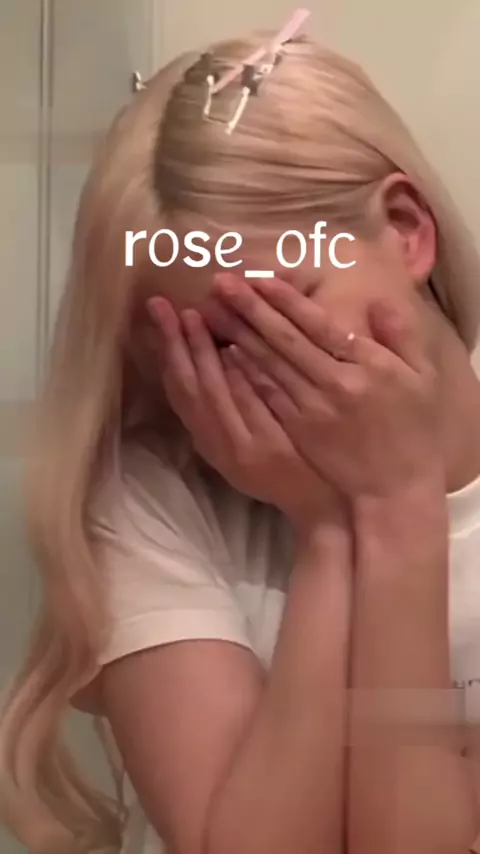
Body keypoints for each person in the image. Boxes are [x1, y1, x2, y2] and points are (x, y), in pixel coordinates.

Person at [2, 8, 480, 854]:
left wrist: (399, 506)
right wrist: (329, 535)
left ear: (407, 231)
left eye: (280, 315)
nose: (248, 378)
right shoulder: (150, 497)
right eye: (196, 352)